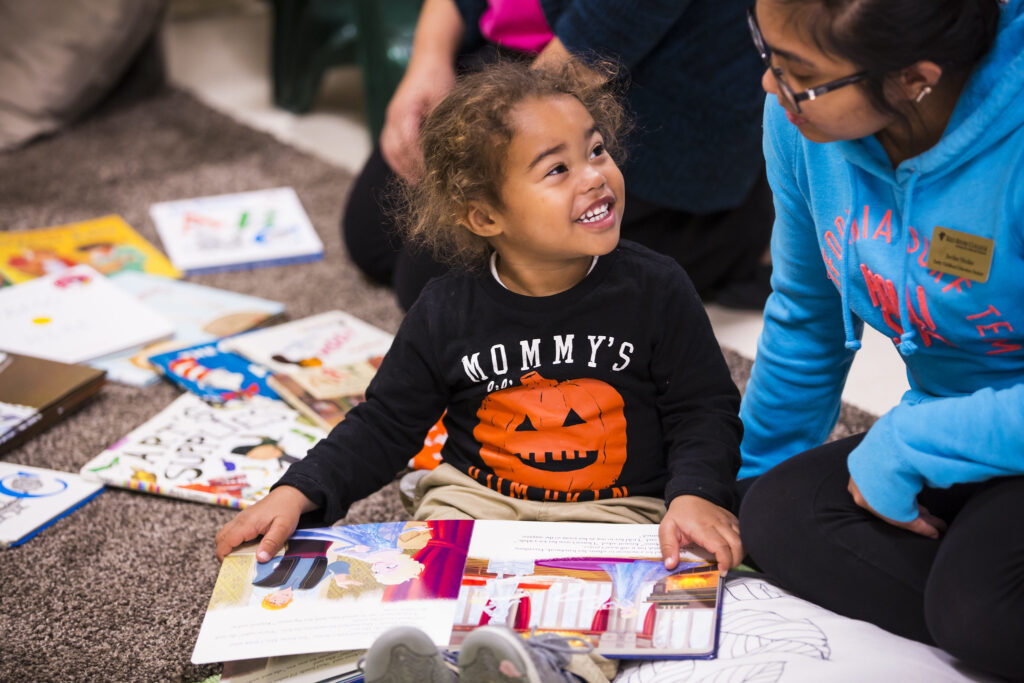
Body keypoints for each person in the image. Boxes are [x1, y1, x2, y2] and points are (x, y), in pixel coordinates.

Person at [216, 61, 744, 683]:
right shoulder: (444, 309)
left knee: (598, 608)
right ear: (486, 216)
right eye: (558, 169)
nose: (596, 176)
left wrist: (696, 495)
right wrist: (298, 490)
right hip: (476, 502)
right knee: (416, 584)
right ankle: (413, 666)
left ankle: (547, 669)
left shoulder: (657, 287)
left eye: (596, 150)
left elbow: (703, 407)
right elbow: (386, 423)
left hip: (617, 510)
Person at [736, 0, 1024, 679]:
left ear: (912, 77)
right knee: (774, 514)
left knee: (977, 607)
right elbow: (806, 315)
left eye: (797, 72)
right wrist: (738, 494)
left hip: (963, 435)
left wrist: (909, 443)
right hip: (958, 440)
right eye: (763, 51)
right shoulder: (798, 122)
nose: (769, 86)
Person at [343, 0, 772, 312]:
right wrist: (428, 60)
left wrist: (488, 147)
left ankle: (739, 231)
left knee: (437, 286)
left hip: (651, 89)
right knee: (373, 239)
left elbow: (609, 25)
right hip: (510, 62)